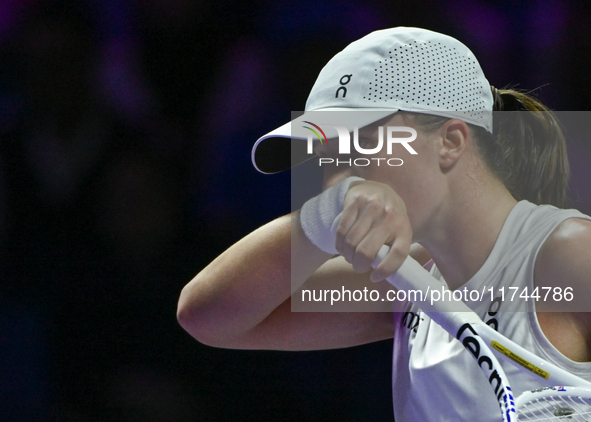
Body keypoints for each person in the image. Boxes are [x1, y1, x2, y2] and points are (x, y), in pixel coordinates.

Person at [177, 27, 591, 421]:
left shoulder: (570, 253)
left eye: (358, 149)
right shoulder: (404, 281)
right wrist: (319, 220)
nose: (338, 184)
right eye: (327, 160)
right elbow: (206, 317)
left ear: (450, 142)